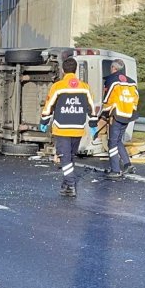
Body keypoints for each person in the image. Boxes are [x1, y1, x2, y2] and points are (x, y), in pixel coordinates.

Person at [39, 57, 99, 197]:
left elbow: (49, 106)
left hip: (62, 128)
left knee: (65, 158)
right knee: (70, 157)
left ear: (62, 70)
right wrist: (93, 124)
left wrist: (44, 121)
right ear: (76, 70)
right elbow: (91, 108)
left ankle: (71, 185)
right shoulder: (84, 87)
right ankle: (66, 185)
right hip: (78, 128)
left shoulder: (58, 86)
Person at [100, 59, 140, 179]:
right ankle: (128, 164)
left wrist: (104, 114)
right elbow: (136, 98)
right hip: (128, 115)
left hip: (116, 115)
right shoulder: (131, 82)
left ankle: (115, 170)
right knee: (118, 141)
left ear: (113, 68)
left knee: (112, 142)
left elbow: (107, 99)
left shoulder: (111, 80)